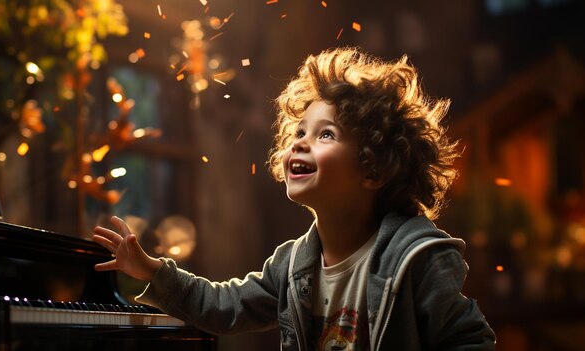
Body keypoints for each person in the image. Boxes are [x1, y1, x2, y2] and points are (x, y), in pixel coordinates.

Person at [92, 46, 496, 350]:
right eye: (299, 132)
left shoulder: (417, 258)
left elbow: (469, 340)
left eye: (325, 134)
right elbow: (224, 306)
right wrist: (152, 271)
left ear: (373, 168)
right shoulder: (291, 266)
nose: (300, 144)